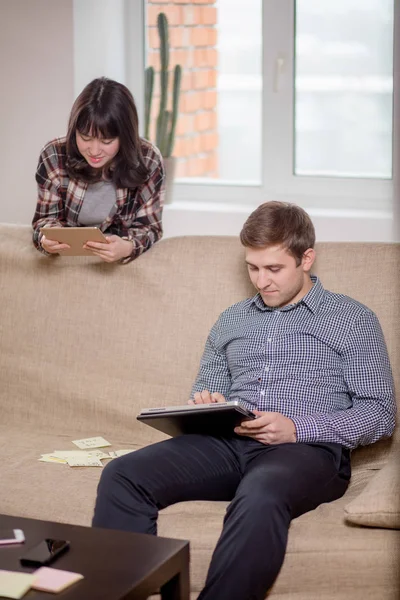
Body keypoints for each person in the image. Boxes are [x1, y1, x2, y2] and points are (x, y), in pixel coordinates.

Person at [92, 201, 396, 599]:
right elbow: (206, 385)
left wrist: (297, 428)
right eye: (253, 268)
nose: (261, 281)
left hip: (305, 451)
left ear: (306, 259)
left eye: (274, 269)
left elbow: (380, 412)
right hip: (227, 442)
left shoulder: (351, 318)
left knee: (261, 492)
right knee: (123, 473)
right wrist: (207, 404)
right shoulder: (232, 319)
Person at [32, 77, 164, 263]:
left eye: (106, 141)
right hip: (68, 262)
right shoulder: (54, 154)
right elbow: (44, 220)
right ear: (74, 130)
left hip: (120, 265)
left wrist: (127, 247)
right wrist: (46, 239)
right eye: (85, 138)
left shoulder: (148, 159)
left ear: (125, 136)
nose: (94, 151)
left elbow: (150, 228)